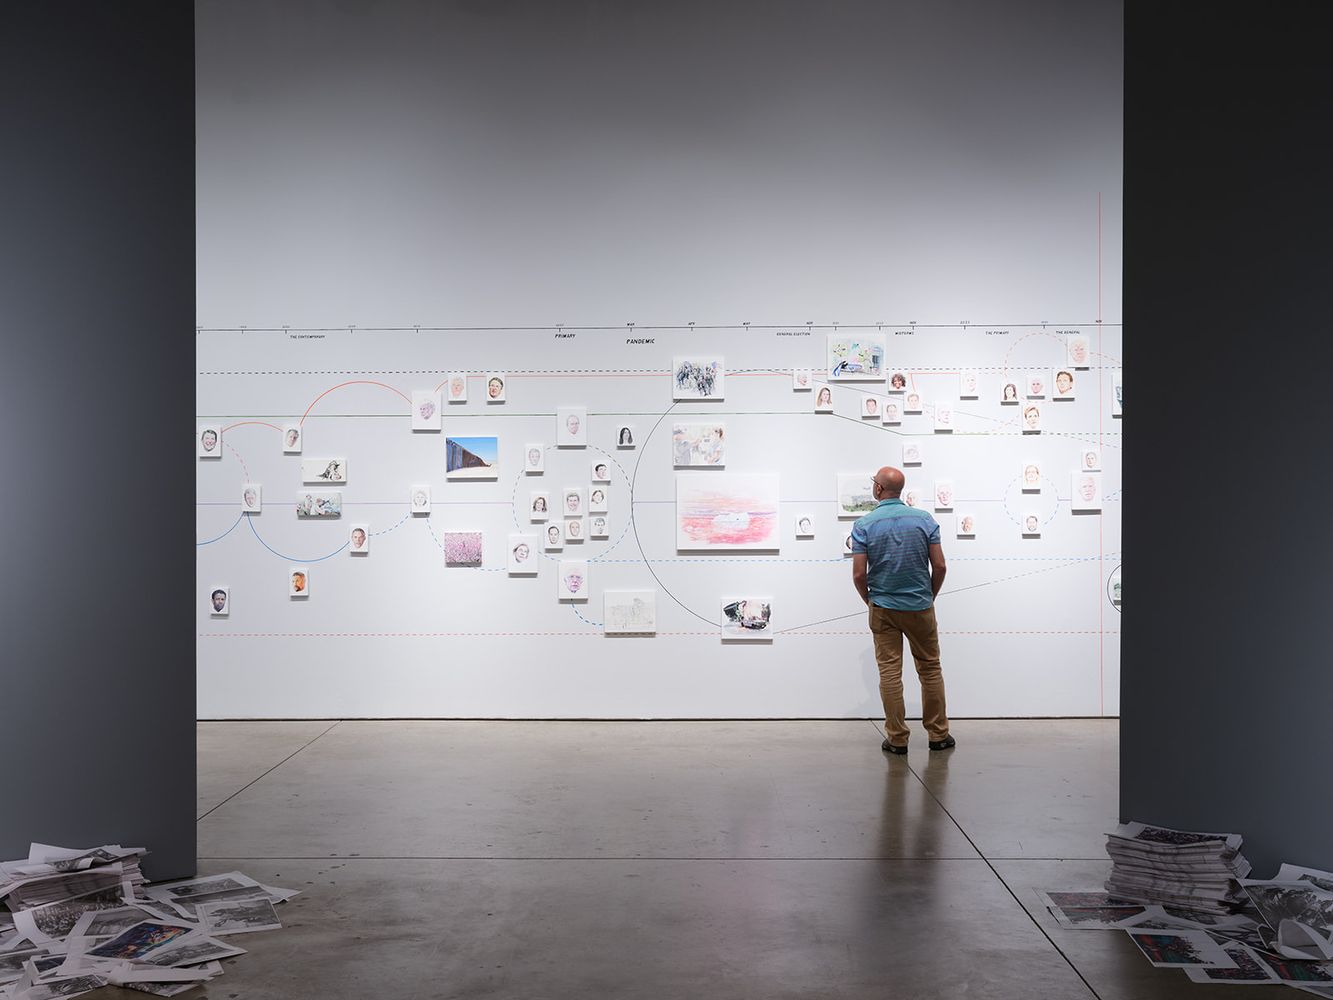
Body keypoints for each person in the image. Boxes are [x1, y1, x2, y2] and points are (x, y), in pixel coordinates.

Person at [851, 467, 953, 754]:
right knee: (930, 669)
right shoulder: (924, 520)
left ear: (879, 489)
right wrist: (929, 595)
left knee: (889, 673)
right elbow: (940, 566)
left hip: (883, 607)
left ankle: (897, 739)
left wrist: (870, 600)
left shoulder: (864, 525)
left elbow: (858, 574)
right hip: (920, 605)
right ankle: (938, 735)